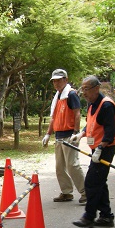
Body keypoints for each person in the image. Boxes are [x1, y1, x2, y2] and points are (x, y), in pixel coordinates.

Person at [72, 75, 115, 228]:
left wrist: (100, 148)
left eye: (86, 89)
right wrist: (81, 134)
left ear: (96, 88)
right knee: (99, 182)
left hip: (104, 150)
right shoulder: (92, 104)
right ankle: (106, 216)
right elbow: (90, 125)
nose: (84, 93)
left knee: (91, 183)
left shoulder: (106, 105)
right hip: (96, 149)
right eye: (82, 89)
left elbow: (110, 131)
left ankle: (89, 216)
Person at [41, 68, 86, 204]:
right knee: (59, 167)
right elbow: (53, 118)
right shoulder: (58, 96)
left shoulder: (71, 94)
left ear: (65, 80)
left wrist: (75, 132)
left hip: (69, 135)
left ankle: (85, 192)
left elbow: (77, 113)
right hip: (59, 136)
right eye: (54, 81)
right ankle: (66, 192)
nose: (56, 83)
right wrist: (48, 134)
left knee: (72, 165)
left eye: (58, 80)